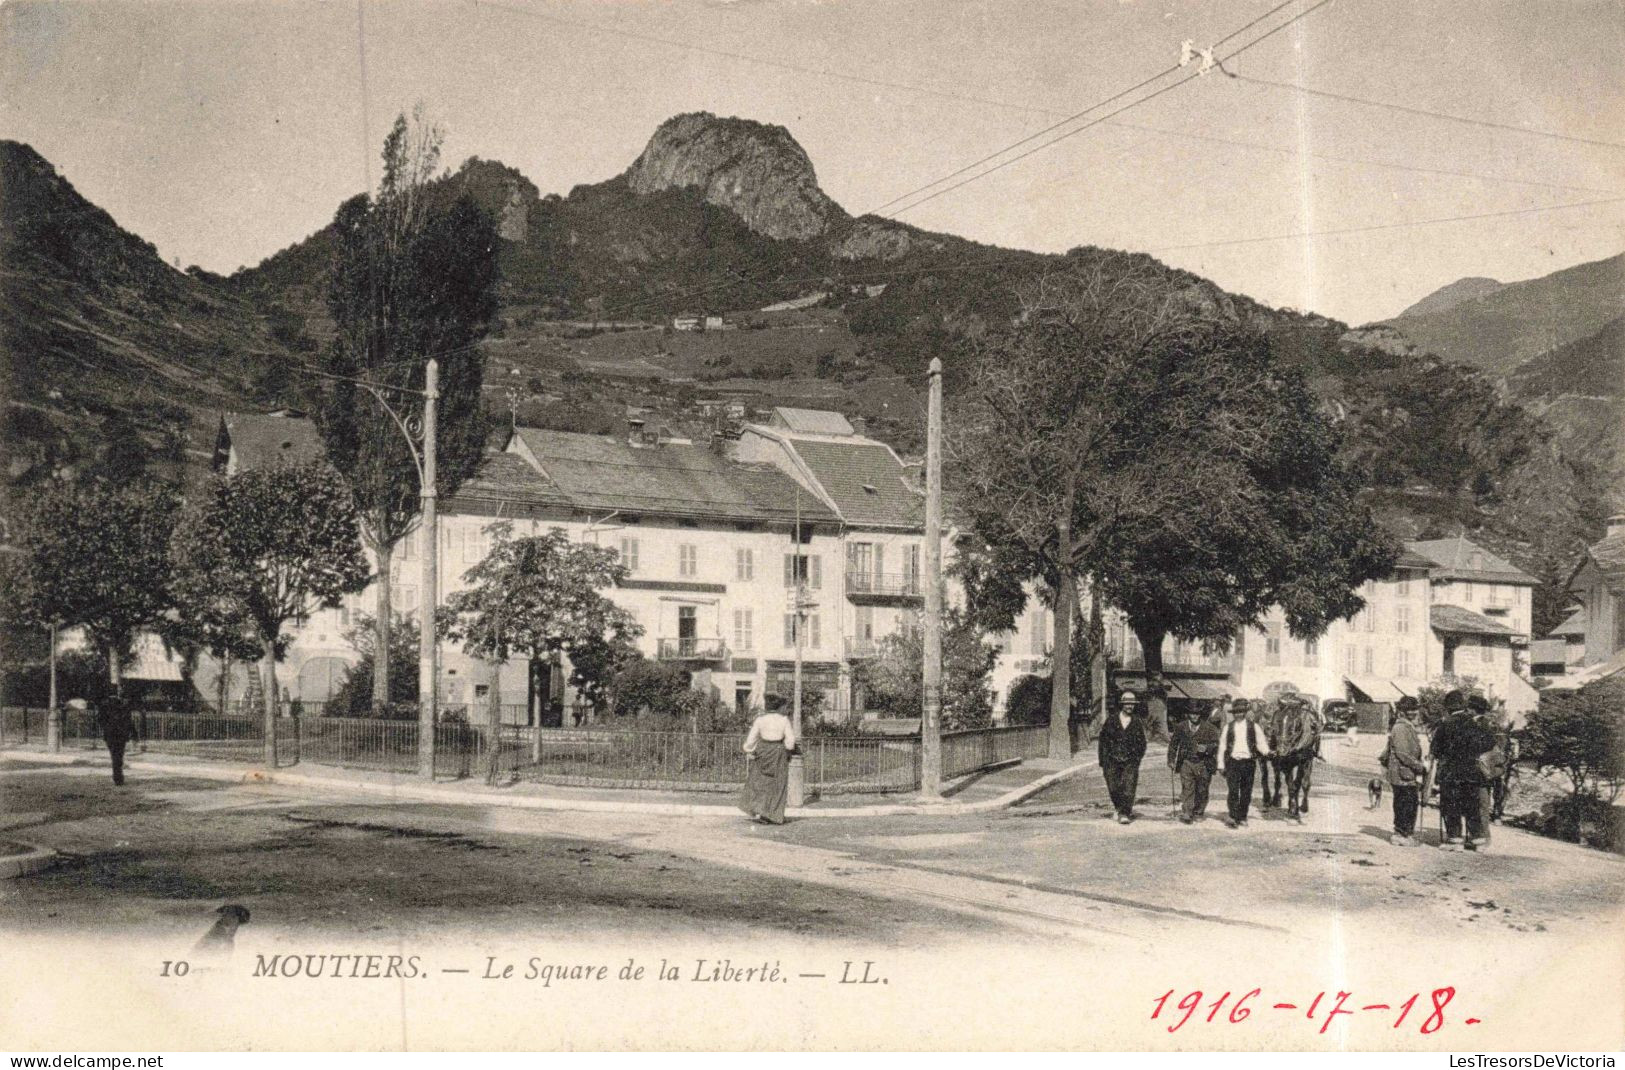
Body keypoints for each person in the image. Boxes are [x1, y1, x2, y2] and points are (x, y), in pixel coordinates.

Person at [1430, 689, 1497, 851]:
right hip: (1472, 772)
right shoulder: (1474, 724)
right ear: (1463, 706)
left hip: (1451, 773)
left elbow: (1436, 751)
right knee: (1472, 805)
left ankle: (1455, 840)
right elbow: (1489, 743)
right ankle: (1478, 840)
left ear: (1448, 708)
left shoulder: (1445, 725)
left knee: (1451, 805)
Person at [1378, 695, 1428, 845]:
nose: (1413, 713)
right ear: (1402, 711)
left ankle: (1403, 834)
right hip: (1402, 773)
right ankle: (1402, 835)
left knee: (1407, 802)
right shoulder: (1400, 727)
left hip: (1405, 772)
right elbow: (1403, 753)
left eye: (1414, 709)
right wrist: (1420, 767)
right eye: (1410, 710)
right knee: (1405, 803)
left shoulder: (1405, 726)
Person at [740, 695, 797, 825]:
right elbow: (791, 741)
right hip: (778, 752)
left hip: (763, 751)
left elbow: (751, 738)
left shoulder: (760, 720)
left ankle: (760, 811)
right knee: (778, 783)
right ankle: (773, 815)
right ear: (779, 707)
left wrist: (749, 749)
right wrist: (788, 748)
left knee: (759, 782)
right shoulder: (784, 720)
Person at [1217, 698, 1270, 827]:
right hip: (1233, 762)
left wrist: (1267, 752)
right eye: (1236, 712)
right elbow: (1222, 746)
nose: (1238, 714)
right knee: (1233, 790)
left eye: (1241, 712)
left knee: (1246, 791)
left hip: (1248, 763)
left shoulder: (1254, 726)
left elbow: (1261, 743)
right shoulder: (1228, 727)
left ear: (1245, 712)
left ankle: (1242, 816)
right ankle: (1233, 816)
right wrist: (1221, 765)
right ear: (1233, 713)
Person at [1097, 690, 1148, 824]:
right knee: (1113, 787)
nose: (1129, 707)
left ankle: (1124, 812)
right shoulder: (1112, 720)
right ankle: (1119, 808)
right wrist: (1103, 760)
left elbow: (1142, 743)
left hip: (1130, 761)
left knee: (1129, 786)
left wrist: (1136, 759)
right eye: (1127, 704)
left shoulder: (1137, 722)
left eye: (1132, 704)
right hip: (1112, 760)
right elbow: (1103, 741)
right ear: (1122, 705)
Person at [1167, 706, 1221, 824]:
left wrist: (1207, 748)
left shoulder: (1209, 728)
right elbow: (1173, 744)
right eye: (1192, 713)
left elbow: (1216, 744)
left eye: (1197, 713)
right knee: (1187, 787)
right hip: (1186, 762)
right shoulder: (1181, 727)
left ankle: (1198, 811)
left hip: (1204, 763)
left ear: (1200, 714)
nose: (1195, 716)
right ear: (1188, 714)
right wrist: (1171, 760)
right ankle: (1187, 812)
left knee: (1202, 788)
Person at [96, 685, 136, 786]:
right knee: (119, 755)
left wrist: (106, 728)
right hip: (121, 734)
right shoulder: (124, 704)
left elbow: (100, 719)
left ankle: (117, 776)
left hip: (110, 734)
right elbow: (129, 721)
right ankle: (118, 776)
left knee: (114, 755)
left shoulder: (104, 705)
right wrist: (133, 733)